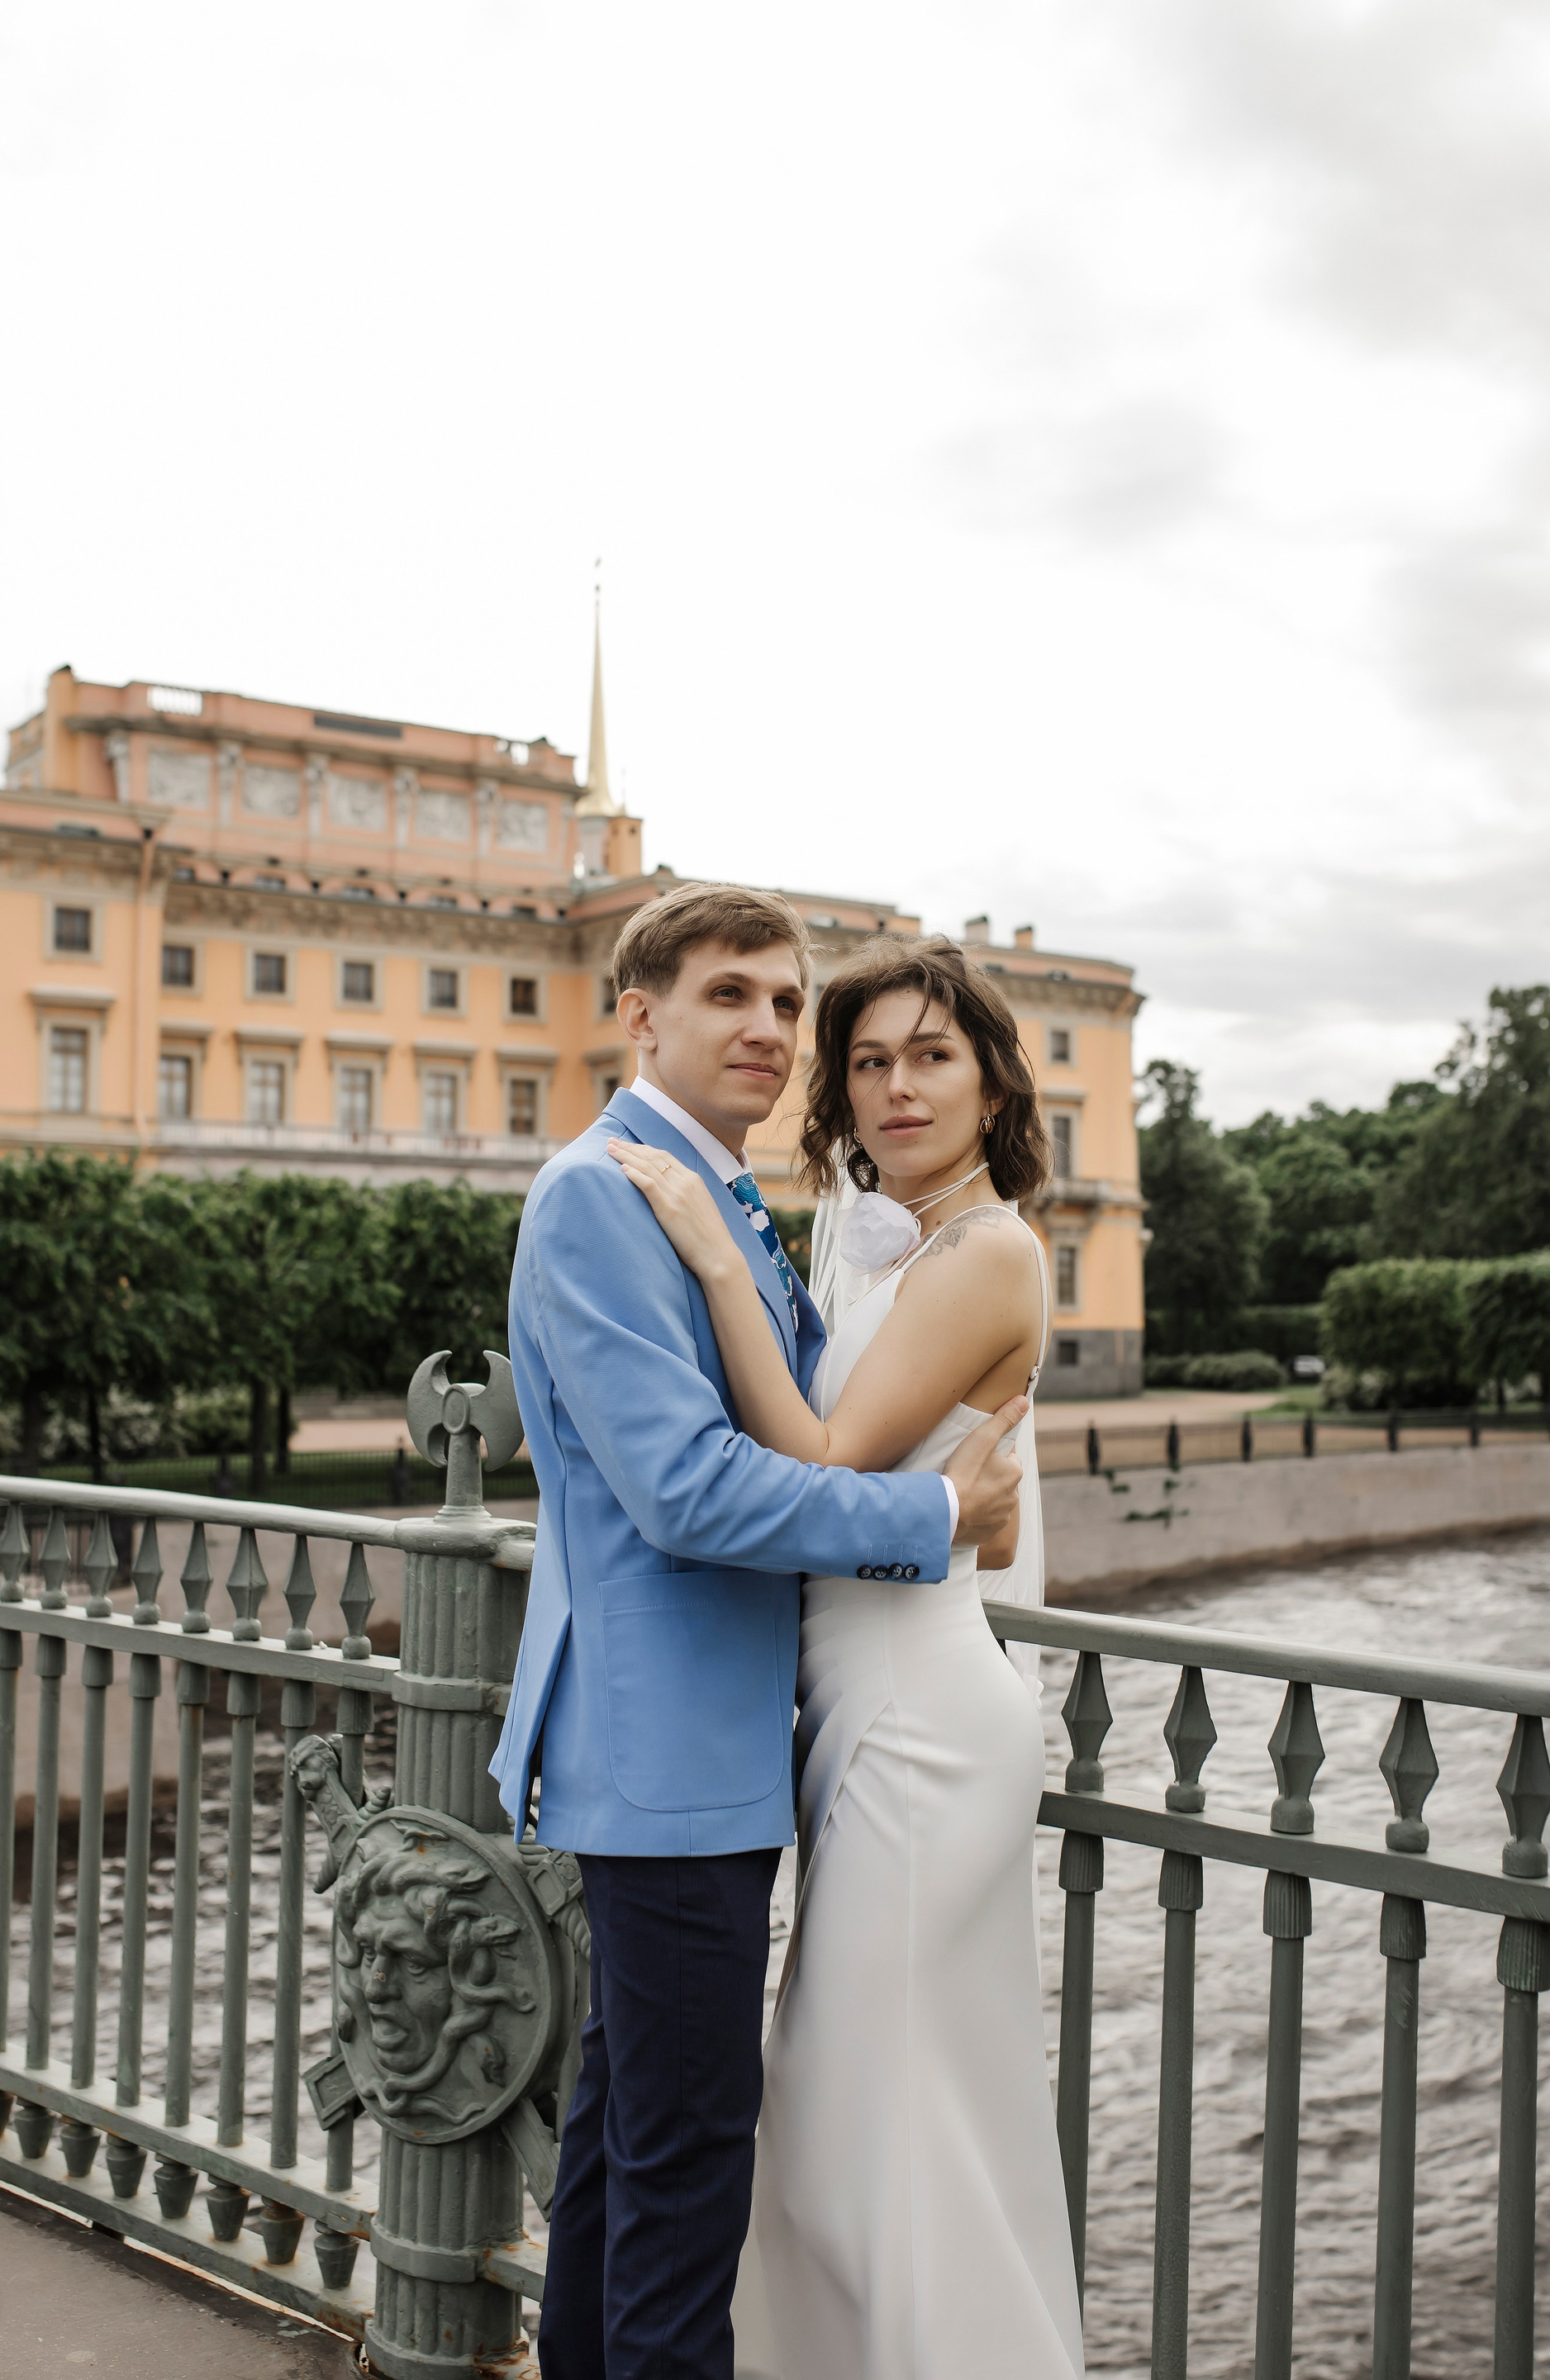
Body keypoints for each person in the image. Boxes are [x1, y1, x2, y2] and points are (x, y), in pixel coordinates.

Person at [488, 882, 1029, 2380]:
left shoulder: (710, 1192)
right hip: (670, 1751)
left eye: (789, 1002)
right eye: (730, 994)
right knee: (686, 2179)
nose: (772, 1029)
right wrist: (939, 1515)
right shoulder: (606, 1193)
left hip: (716, 1744)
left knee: (628, 2149)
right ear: (640, 1013)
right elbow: (686, 1488)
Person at [611, 933, 1083, 2380]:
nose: (896, 1087)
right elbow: (951, 1499)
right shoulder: (893, 1240)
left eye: (932, 1055)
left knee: (862, 2119)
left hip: (918, 1719)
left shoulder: (989, 1250)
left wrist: (714, 1254)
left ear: (994, 1084)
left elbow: (821, 1456)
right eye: (868, 1060)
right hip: (864, 1708)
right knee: (870, 2116)